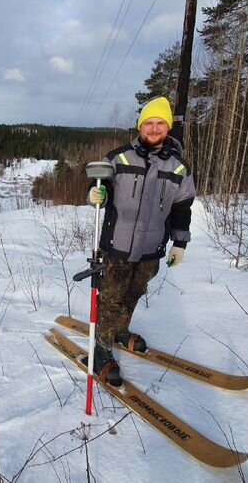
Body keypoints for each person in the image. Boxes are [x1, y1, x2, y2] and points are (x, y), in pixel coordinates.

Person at [86, 96, 195, 386]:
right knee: (110, 298)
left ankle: (121, 331)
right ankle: (101, 349)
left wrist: (180, 243)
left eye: (161, 123)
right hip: (117, 245)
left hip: (152, 249)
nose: (155, 128)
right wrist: (96, 195)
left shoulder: (179, 168)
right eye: (150, 122)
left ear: (168, 128)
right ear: (140, 126)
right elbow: (100, 186)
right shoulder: (119, 158)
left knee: (134, 293)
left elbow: (182, 209)